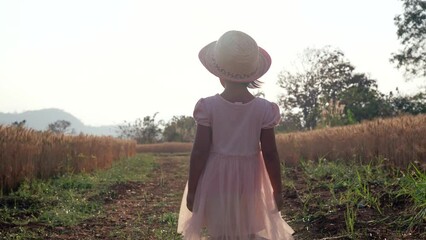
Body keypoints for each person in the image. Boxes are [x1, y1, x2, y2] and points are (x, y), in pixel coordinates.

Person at [177, 30, 295, 240]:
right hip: (250, 178)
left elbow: (200, 152)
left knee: (221, 232)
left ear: (220, 74)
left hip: (216, 177)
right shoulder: (264, 109)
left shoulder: (208, 107)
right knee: (247, 230)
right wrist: (277, 190)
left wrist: (193, 189)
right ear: (252, 76)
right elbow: (270, 153)